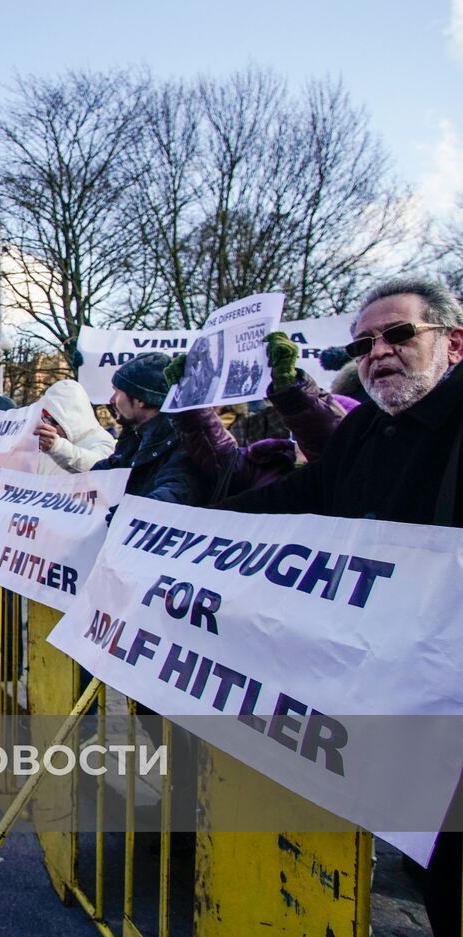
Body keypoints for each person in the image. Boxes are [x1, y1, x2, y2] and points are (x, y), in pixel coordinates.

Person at [215, 278, 463, 936]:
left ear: (453, 343)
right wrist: (187, 527)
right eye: (364, 341)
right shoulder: (364, 433)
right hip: (400, 691)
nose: (378, 351)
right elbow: (302, 494)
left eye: (399, 334)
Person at [163, 332, 353, 498]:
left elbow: (330, 442)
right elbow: (222, 463)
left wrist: (294, 394)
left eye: (306, 428)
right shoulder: (269, 461)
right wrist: (191, 404)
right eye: (297, 430)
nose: (302, 438)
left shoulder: (345, 479)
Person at [89, 353, 207, 505]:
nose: (112, 400)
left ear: (140, 400)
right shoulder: (135, 436)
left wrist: (132, 512)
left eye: (117, 392)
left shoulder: (184, 442)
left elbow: (175, 491)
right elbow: (115, 468)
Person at [33, 380, 116, 474]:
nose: (49, 425)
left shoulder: (102, 439)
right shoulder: (48, 443)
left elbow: (98, 468)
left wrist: (57, 447)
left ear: (71, 417)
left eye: (53, 420)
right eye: (45, 418)